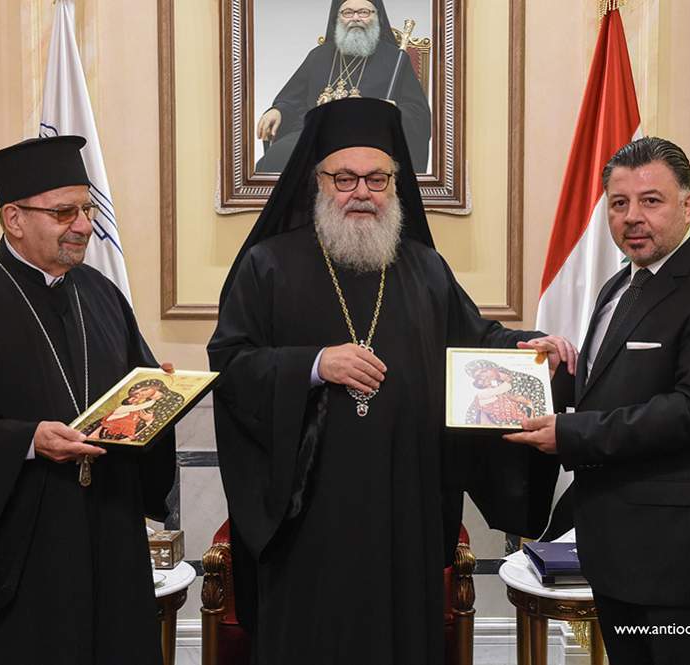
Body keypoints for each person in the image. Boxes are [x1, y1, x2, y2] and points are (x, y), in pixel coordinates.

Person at [208, 97, 576, 665]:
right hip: (310, 516)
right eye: (345, 178)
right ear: (317, 182)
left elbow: (476, 340)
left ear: (395, 185)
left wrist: (530, 351)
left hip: (407, 502)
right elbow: (230, 364)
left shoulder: (425, 269)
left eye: (377, 179)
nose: (362, 192)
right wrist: (314, 364)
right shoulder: (268, 266)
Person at [0, 136, 176, 665]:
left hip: (107, 533)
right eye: (64, 212)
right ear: (14, 218)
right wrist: (26, 440)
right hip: (17, 550)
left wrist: (159, 394)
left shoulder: (101, 294)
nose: (83, 225)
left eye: (87, 209)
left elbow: (131, 400)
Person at [507, 137, 690, 665]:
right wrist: (557, 373)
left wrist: (570, 434)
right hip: (614, 554)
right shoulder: (619, 285)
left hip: (686, 561)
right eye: (619, 203)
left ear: (688, 205)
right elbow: (618, 385)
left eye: (651, 201)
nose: (632, 217)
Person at [255, 0, 431, 173]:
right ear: (337, 18)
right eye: (348, 12)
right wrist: (278, 110)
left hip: (367, 139)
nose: (356, 18)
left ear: (377, 18)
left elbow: (418, 113)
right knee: (277, 156)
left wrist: (391, 111)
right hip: (315, 134)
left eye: (364, 12)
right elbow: (294, 98)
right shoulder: (318, 56)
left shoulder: (394, 59)